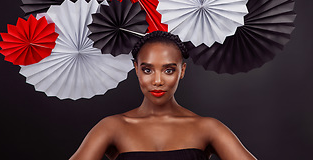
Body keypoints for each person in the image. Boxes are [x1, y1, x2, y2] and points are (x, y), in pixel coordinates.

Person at [70, 31, 257, 160]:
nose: (157, 81)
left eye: (168, 70)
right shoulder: (111, 127)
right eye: (147, 70)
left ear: (182, 71)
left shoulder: (208, 128)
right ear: (136, 69)